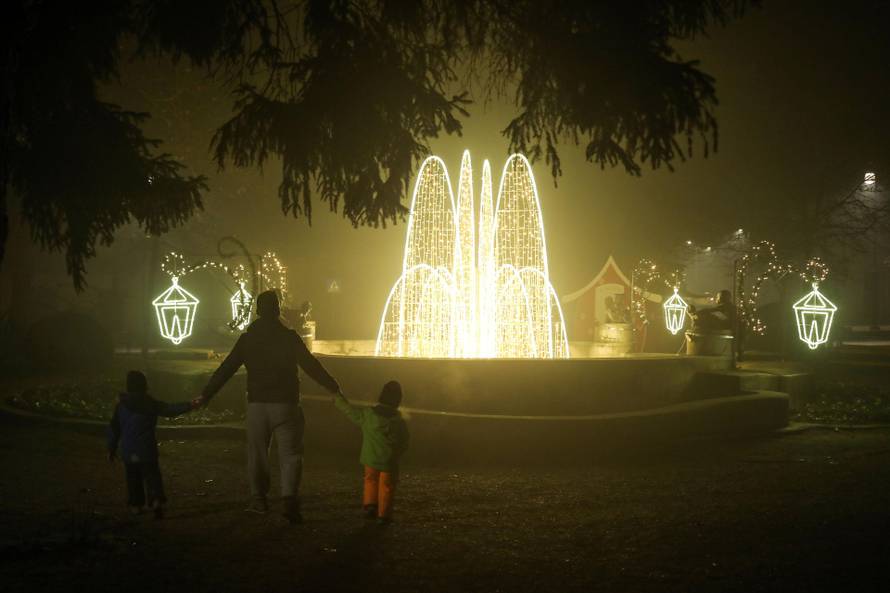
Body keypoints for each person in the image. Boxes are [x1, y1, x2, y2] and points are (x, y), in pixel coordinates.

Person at [195, 290, 340, 523]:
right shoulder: (289, 337)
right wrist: (333, 387)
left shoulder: (247, 339)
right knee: (291, 454)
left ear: (258, 311)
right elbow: (311, 366)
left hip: (257, 405)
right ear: (278, 310)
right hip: (286, 403)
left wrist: (206, 394)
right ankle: (289, 500)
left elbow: (226, 369)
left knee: (258, 454)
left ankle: (259, 499)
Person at [107, 370, 197, 519]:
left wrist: (111, 447)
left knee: (133, 477)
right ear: (144, 385)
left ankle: (136, 505)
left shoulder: (121, 406)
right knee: (152, 476)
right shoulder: (150, 403)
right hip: (147, 448)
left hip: (129, 449)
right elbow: (169, 409)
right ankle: (155, 500)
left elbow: (114, 427)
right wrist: (190, 405)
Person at [334, 381, 409, 524]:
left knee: (370, 479)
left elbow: (350, 411)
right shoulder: (399, 422)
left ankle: (370, 506)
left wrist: (338, 398)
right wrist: (398, 453)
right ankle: (383, 515)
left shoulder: (368, 415)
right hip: (389, 460)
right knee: (387, 486)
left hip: (370, 458)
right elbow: (404, 440)